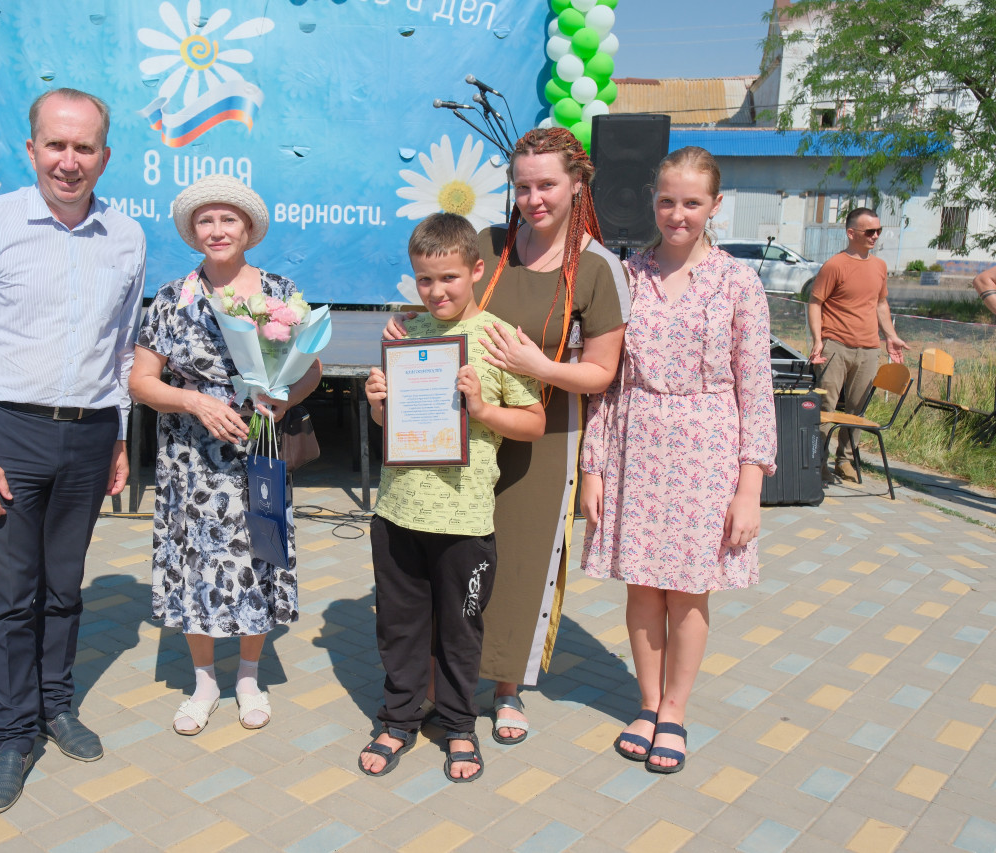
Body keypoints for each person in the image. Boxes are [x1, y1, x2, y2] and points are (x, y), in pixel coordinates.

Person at [384, 127, 628, 744]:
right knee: (452, 559)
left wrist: (539, 369)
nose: (534, 198)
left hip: (546, 433)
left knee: (519, 563)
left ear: (578, 183)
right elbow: (439, 302)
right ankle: (442, 682)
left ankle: (509, 686)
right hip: (457, 430)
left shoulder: (598, 268)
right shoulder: (488, 247)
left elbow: (602, 371)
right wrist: (402, 332)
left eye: (547, 184)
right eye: (523, 186)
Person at [0, 88, 146, 814]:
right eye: (55, 145)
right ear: (31, 150)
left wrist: (119, 434)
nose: (69, 160)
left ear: (104, 156)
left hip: (90, 434)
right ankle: (13, 734)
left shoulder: (127, 236)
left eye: (83, 147)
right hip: (9, 433)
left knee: (64, 585)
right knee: (10, 598)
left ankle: (56, 704)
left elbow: (121, 347)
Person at [579, 146, 777, 774]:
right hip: (635, 443)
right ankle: (644, 702)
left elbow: (757, 387)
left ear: (715, 206)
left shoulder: (738, 281)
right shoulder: (626, 274)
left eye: (692, 202)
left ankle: (675, 710)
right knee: (642, 587)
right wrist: (593, 466)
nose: (678, 214)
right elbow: (607, 380)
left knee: (689, 592)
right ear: (653, 201)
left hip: (708, 449)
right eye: (668, 200)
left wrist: (749, 488)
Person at [131, 173, 321, 737]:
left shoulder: (280, 293)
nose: (217, 230)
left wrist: (281, 402)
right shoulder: (171, 299)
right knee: (195, 563)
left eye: (228, 219)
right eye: (206, 221)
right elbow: (141, 382)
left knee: (258, 556)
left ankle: (248, 676)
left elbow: (309, 369)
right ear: (193, 231)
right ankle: (204, 681)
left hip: (258, 450)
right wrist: (190, 400)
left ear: (248, 229)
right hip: (190, 462)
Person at [360, 213, 545, 782]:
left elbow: (535, 422)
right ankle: (397, 718)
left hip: (464, 520)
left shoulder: (499, 338)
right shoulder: (407, 334)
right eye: (423, 280)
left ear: (476, 271)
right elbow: (393, 426)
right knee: (399, 626)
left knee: (461, 631)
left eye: (448, 278)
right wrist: (377, 404)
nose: (436, 291)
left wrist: (483, 410)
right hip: (397, 514)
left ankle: (460, 726)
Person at [807, 207, 908, 483]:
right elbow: (815, 303)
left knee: (857, 408)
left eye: (879, 231)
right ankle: (818, 464)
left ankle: (846, 460)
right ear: (851, 233)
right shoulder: (835, 265)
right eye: (869, 231)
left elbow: (880, 303)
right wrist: (818, 340)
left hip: (868, 349)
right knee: (826, 407)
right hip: (835, 346)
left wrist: (890, 336)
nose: (875, 236)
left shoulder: (879, 266)